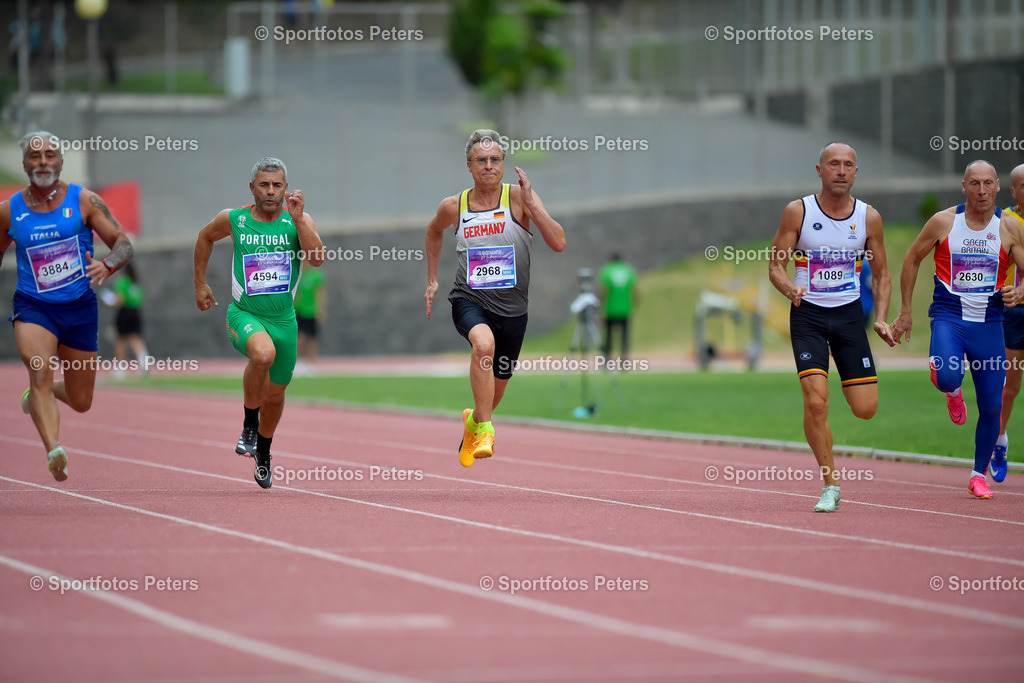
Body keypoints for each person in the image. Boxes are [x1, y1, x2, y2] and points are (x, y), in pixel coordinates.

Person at [424, 129, 566, 467]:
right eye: (481, 160)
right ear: (469, 166)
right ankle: (485, 430)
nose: (489, 165)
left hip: (514, 312)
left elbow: (559, 242)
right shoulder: (454, 205)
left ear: (502, 164)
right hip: (469, 301)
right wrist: (432, 280)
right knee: (483, 346)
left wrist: (533, 205)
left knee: (495, 392)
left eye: (495, 160)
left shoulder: (519, 198)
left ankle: (474, 421)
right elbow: (433, 231)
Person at [768, 142, 895, 513]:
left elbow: (883, 274)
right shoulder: (798, 212)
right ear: (819, 170)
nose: (841, 170)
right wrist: (789, 287)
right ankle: (830, 484)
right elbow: (775, 264)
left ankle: (833, 392)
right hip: (807, 315)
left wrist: (883, 317)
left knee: (865, 408)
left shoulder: (869, 217)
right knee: (816, 402)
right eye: (834, 164)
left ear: (856, 173)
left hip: (849, 317)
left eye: (848, 165)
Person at [0, 131, 133, 481]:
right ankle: (54, 448)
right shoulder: (8, 211)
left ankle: (38, 396)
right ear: (25, 163)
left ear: (60, 161)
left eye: (50, 155)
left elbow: (123, 242)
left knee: (81, 399)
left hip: (79, 308)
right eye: (35, 156)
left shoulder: (85, 201)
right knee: (40, 370)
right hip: (33, 307)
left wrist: (109, 264)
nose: (43, 161)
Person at [891, 160, 1024, 499]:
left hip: (990, 324)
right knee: (949, 376)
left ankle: (978, 475)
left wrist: (1019, 292)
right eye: (974, 184)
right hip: (949, 317)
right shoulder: (943, 222)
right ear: (963, 187)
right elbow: (911, 258)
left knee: (993, 406)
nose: (981, 191)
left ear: (997, 187)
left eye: (987, 184)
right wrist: (905, 312)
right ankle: (953, 392)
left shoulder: (1009, 227)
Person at [193, 157, 324, 489]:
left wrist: (300, 221)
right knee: (262, 355)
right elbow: (205, 237)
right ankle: (249, 425)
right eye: (264, 185)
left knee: (276, 396)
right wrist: (200, 284)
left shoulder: (298, 220)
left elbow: (318, 259)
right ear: (252, 187)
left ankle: (263, 451)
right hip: (244, 315)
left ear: (286, 188)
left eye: (277, 185)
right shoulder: (234, 219)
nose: (270, 191)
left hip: (285, 321)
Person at [992, 163, 1024, 482]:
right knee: (1010, 388)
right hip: (1015, 313)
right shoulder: (1004, 221)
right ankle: (1000, 440)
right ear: (1013, 192)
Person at [598, 253, 638, 360]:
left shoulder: (607, 271)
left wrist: (601, 306)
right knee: (624, 337)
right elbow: (635, 291)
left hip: (610, 309)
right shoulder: (628, 271)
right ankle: (624, 359)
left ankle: (607, 359)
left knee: (608, 336)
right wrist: (634, 305)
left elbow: (603, 291)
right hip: (625, 309)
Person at [110, 261, 148, 375]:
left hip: (124, 312)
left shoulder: (123, 282)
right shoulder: (136, 284)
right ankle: (144, 363)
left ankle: (120, 369)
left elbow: (119, 300)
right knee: (135, 338)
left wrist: (111, 301)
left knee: (120, 340)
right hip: (135, 311)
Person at [293, 259, 326, 374]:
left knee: (312, 338)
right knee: (299, 338)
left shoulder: (316, 276)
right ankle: (298, 361)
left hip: (311, 311)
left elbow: (319, 294)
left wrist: (320, 310)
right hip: (299, 310)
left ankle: (311, 362)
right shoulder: (298, 275)